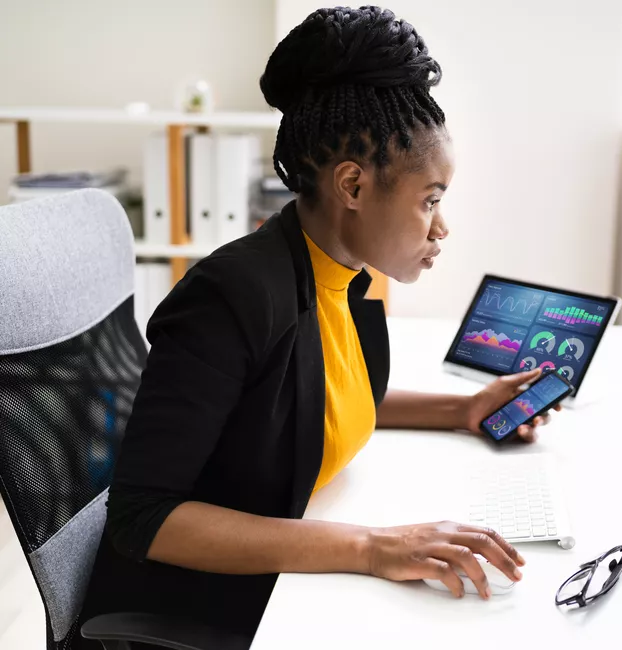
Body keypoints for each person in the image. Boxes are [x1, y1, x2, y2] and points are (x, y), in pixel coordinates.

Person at [80, 6, 555, 643]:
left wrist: (461, 409)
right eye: (430, 200)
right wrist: (370, 547)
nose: (441, 227)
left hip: (290, 570)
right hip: (201, 606)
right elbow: (142, 518)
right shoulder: (234, 295)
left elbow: (315, 400)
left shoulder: (338, 274)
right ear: (353, 186)